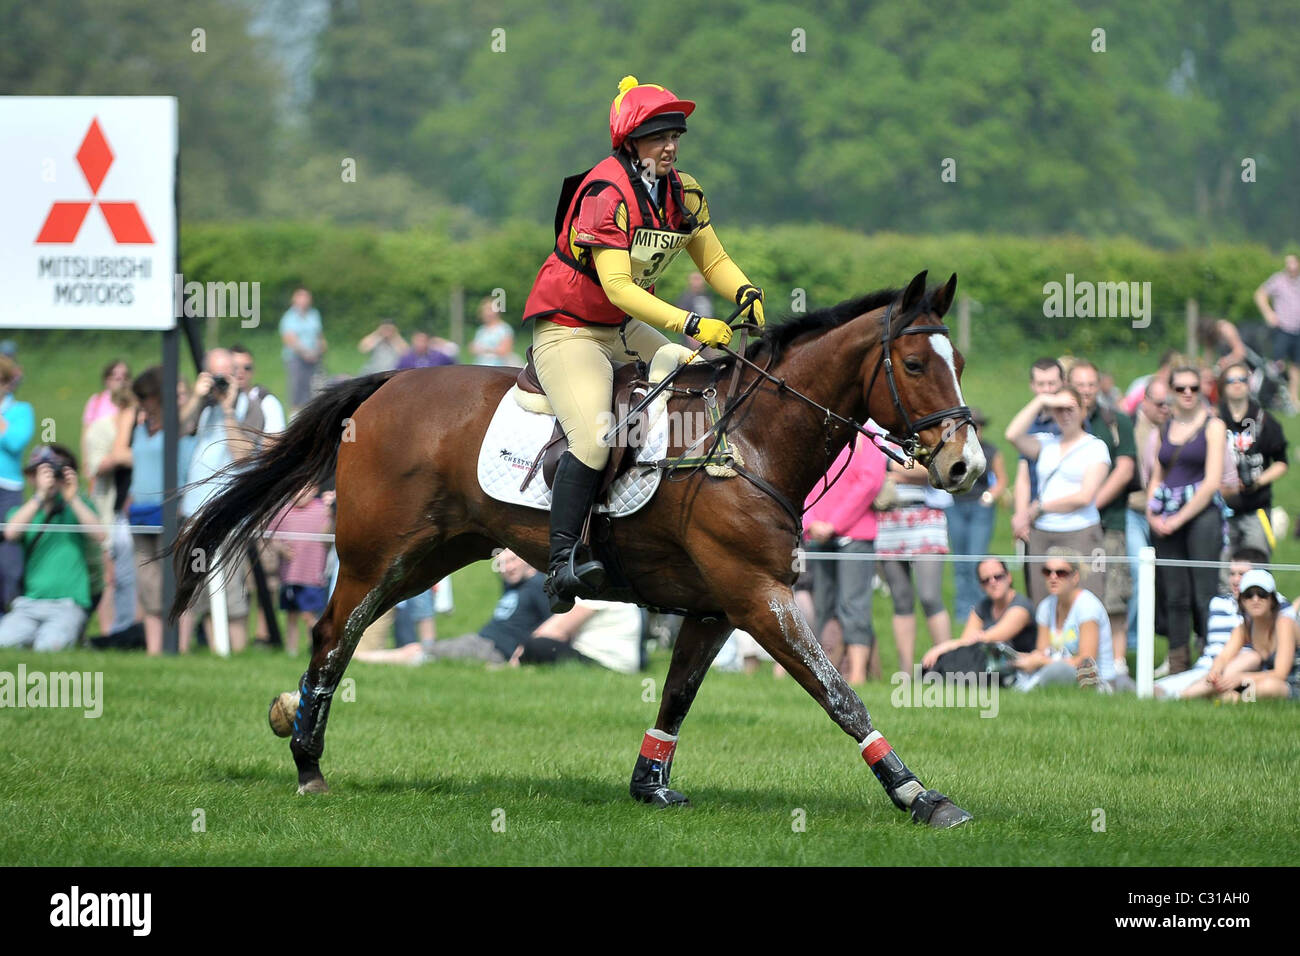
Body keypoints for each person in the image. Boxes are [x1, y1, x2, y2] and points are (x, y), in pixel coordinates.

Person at [521, 75, 764, 613]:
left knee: (706, 376)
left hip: (625, 326)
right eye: (657, 136)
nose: (670, 145)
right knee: (592, 438)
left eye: (675, 134)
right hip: (571, 327)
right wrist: (691, 323)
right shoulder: (606, 194)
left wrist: (744, 289)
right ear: (630, 143)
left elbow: (715, 261)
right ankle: (561, 563)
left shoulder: (684, 190)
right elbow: (617, 287)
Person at [1147, 365, 1227, 674]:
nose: (1188, 393)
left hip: (1200, 515)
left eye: (1194, 387)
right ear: (1171, 391)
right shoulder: (1164, 427)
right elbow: (1157, 475)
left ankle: (1211, 661)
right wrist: (1152, 513)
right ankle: (1178, 663)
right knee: (1174, 592)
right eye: (1181, 388)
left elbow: (1211, 482)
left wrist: (1178, 519)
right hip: (1165, 516)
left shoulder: (1213, 425)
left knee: (1204, 592)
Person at [1006, 384, 1110, 607]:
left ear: (1083, 411)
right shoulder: (1046, 443)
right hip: (1043, 532)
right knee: (1043, 604)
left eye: (1070, 408)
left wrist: (1039, 508)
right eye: (1059, 410)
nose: (1064, 415)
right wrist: (1043, 401)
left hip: (1080, 530)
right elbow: (1012, 434)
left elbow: (1084, 496)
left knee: (1086, 602)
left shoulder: (1095, 447)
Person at [179, 349, 254, 654]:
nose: (223, 380)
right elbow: (179, 429)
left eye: (228, 372)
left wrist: (228, 409)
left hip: (227, 514)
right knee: (195, 592)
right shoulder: (202, 405)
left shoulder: (249, 405)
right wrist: (198, 398)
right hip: (194, 512)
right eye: (216, 374)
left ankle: (235, 658)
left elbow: (242, 455)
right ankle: (206, 655)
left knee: (231, 594)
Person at [355, 550, 547, 666]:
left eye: (512, 561)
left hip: (494, 650)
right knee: (423, 651)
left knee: (417, 652)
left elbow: (552, 623)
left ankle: (362, 659)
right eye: (502, 564)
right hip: (481, 642)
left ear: (526, 560)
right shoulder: (514, 586)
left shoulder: (538, 585)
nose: (507, 568)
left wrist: (524, 652)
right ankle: (364, 658)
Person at [120, 367, 195, 655]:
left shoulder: (179, 429)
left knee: (175, 581)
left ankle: (181, 646)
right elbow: (141, 466)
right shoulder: (139, 429)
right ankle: (154, 649)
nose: (142, 402)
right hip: (140, 511)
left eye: (146, 396)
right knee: (148, 584)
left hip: (170, 512)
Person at [0, 445, 104, 651]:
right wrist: (40, 497)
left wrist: (71, 497)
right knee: (3, 642)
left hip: (68, 603)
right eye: (42, 472)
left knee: (48, 647)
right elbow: (11, 533)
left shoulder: (77, 507)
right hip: (28, 604)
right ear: (31, 477)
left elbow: (100, 534)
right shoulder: (23, 511)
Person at [804, 433, 887, 684]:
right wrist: (810, 522)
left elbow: (870, 482)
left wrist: (834, 524)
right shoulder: (816, 434)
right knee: (823, 607)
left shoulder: (868, 438)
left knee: (854, 605)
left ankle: (859, 675)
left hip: (855, 536)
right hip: (818, 536)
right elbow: (802, 480)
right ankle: (827, 674)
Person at [1070, 360, 1137, 663]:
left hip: (1108, 522)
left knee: (1114, 596)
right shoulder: (1059, 421)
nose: (1085, 391)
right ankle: (1075, 662)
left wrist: (1088, 504)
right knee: (1072, 594)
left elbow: (1124, 471)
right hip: (1066, 527)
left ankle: (1117, 664)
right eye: (1079, 385)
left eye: (1090, 385)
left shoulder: (1117, 421)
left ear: (1100, 386)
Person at [1155, 548, 1278, 699]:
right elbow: (1221, 654)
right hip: (1211, 667)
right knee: (1155, 690)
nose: (1235, 580)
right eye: (1232, 574)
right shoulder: (1219, 603)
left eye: (1242, 574)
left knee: (1250, 658)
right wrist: (1215, 670)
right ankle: (1198, 693)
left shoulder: (1272, 606)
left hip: (1246, 669)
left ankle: (1187, 696)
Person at [1013, 548, 1132, 692]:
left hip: (1097, 681)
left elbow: (1087, 661)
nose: (1053, 577)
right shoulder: (1045, 607)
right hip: (1063, 672)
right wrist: (1028, 659)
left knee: (1055, 672)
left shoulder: (1087, 606)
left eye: (1061, 573)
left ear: (1075, 577)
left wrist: (1042, 661)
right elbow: (1042, 651)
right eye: (1047, 572)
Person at [875, 457, 952, 677]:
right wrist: (908, 473)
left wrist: (890, 467)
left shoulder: (921, 432)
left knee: (930, 596)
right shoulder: (878, 433)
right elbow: (871, 470)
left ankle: (947, 666)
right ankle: (905, 672)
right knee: (901, 599)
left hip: (926, 517)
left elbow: (933, 471)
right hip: (889, 518)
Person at [1187, 569, 1299, 701]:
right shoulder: (1244, 627)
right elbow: (1223, 657)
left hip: (1291, 684)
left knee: (1270, 686)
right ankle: (1184, 695)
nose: (1255, 599)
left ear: (1272, 599)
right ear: (1242, 601)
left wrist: (1241, 678)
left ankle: (1233, 697)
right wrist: (1215, 671)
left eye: (1262, 594)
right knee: (1216, 679)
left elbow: (1280, 674)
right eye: (1248, 595)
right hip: (1263, 681)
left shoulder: (1284, 622)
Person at [1218, 362, 1288, 559]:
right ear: (1223, 386)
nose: (1238, 384)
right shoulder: (1214, 419)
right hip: (1221, 508)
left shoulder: (1264, 420)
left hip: (1256, 507)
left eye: (1243, 379)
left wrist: (1257, 482)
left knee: (1257, 569)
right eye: (1232, 380)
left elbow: (1282, 462)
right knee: (1223, 573)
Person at [944, 409, 1006, 622]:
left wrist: (990, 496)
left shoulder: (990, 451)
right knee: (960, 562)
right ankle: (963, 613)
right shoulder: (954, 450)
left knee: (976, 559)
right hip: (956, 506)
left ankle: (982, 609)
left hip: (980, 507)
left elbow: (1001, 480)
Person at [921, 558, 1037, 670]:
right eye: (986, 580)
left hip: (1024, 670)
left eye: (998, 577)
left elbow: (991, 637)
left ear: (1009, 577)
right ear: (981, 586)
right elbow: (966, 643)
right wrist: (942, 650)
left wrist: (942, 648)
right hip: (996, 667)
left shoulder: (1021, 607)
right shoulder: (983, 607)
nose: (993, 582)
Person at [1011, 358, 1063, 595]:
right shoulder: (1029, 422)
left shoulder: (1070, 419)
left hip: (1062, 515)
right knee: (1037, 590)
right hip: (1034, 519)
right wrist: (1021, 515)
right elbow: (1023, 473)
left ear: (1062, 383)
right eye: (1041, 385)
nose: (1047, 390)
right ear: (1032, 385)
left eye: (1052, 383)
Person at [1125, 377, 1170, 647]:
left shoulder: (1176, 430)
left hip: (1166, 514)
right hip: (1134, 512)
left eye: (1169, 404)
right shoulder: (1129, 426)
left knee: (1164, 580)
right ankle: (1132, 641)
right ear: (1145, 401)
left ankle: (1155, 638)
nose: (1165, 409)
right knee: (1139, 572)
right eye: (1160, 403)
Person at [268, 485, 333, 655]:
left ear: (314, 489)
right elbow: (270, 535)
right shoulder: (283, 511)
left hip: (313, 576)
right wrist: (281, 548)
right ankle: (292, 651)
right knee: (291, 615)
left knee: (309, 615)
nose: (299, 493)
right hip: (289, 575)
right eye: (296, 488)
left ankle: (316, 649)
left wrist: (331, 514)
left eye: (304, 489)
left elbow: (329, 537)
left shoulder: (322, 510)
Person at [0, 355, 35, 610]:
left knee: (8, 555)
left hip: (8, 489)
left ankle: (9, 609)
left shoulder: (21, 411)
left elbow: (14, 442)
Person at [1253, 253, 1300, 410]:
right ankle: (1270, 395)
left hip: (1298, 329)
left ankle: (1294, 399)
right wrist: (1268, 313)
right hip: (1282, 328)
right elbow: (1260, 294)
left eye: (1293, 263)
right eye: (1288, 263)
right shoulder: (1278, 279)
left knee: (1296, 366)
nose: (1290, 266)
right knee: (1277, 364)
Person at [279, 287, 326, 412]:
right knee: (297, 388)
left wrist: (320, 348)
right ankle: (295, 415)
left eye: (306, 297)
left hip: (315, 357)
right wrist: (305, 353)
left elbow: (318, 334)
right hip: (296, 358)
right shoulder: (289, 317)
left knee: (315, 388)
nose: (304, 300)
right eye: (301, 297)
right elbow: (289, 338)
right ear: (294, 299)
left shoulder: (313, 314)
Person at [469, 296, 516, 366]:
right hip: (480, 366)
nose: (486, 313)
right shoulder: (481, 330)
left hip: (497, 368)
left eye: (489, 309)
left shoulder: (505, 329)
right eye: (484, 310)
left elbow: (505, 351)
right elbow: (472, 349)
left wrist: (483, 349)